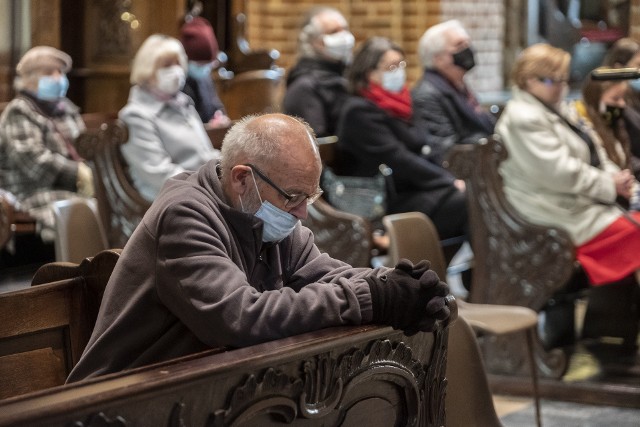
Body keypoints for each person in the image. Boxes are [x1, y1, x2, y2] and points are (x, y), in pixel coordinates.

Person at [66, 113, 451, 382]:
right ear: (241, 179)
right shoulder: (185, 214)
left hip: (197, 390)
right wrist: (370, 298)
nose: (301, 213)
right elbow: (239, 318)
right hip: (118, 400)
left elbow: (329, 274)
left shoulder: (267, 217)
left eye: (310, 196)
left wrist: (397, 285)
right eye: (293, 196)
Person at [495, 43, 640, 288]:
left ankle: (615, 316)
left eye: (564, 80)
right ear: (527, 80)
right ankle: (609, 318)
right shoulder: (523, 118)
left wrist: (622, 182)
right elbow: (559, 173)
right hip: (552, 212)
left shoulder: (558, 109)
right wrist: (609, 185)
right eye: (552, 81)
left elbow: (597, 154)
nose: (561, 88)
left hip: (576, 203)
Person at [336, 36, 467, 241]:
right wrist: (448, 181)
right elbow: (398, 158)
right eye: (391, 67)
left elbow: (427, 145)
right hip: (387, 201)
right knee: (467, 201)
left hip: (416, 189)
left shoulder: (404, 103)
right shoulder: (358, 111)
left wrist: (448, 177)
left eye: (400, 65)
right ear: (369, 73)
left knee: (475, 196)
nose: (398, 72)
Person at [0, 46, 94, 242]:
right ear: (30, 77)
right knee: (84, 211)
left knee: (108, 206)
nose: (58, 78)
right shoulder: (20, 110)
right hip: (31, 191)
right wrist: (77, 173)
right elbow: (34, 162)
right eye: (50, 73)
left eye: (60, 72)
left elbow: (85, 148)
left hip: (70, 187)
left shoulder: (65, 108)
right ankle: (78, 269)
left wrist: (92, 171)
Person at [119, 34, 221, 202]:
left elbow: (206, 154)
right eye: (167, 65)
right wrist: (210, 187)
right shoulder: (136, 115)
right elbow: (159, 174)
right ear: (148, 70)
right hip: (171, 200)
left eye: (178, 64)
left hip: (202, 191)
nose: (176, 71)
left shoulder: (183, 103)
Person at [412, 20, 496, 166]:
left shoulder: (457, 85)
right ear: (438, 58)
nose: (468, 49)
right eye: (459, 45)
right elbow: (446, 149)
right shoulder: (427, 94)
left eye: (467, 44)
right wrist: (485, 142)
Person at [282, 6, 354, 137]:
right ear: (314, 41)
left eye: (344, 29)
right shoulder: (304, 87)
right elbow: (318, 144)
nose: (343, 37)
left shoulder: (347, 75)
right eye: (333, 32)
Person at [578, 72, 640, 180]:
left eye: (623, 98)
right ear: (595, 100)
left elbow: (629, 160)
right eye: (615, 99)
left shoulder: (616, 123)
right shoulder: (584, 131)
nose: (622, 104)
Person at [179, 16, 231, 127]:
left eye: (208, 64)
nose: (204, 69)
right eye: (200, 64)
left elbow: (215, 105)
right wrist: (208, 127)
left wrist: (220, 115)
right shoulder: (179, 83)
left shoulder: (205, 77)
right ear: (186, 60)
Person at [601, 37, 640, 172]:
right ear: (619, 67)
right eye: (638, 65)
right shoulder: (609, 100)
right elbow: (616, 145)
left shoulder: (635, 95)